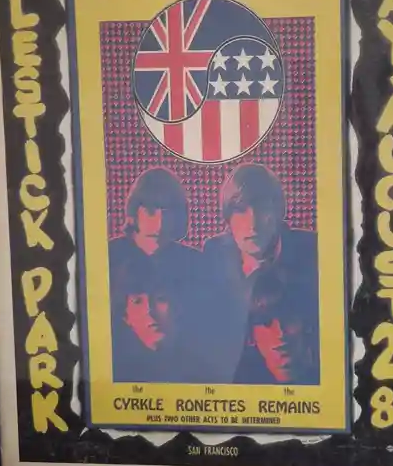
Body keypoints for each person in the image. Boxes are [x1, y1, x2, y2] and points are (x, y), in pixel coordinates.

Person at [108, 167, 236, 384]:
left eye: (167, 212)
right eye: (151, 211)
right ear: (134, 213)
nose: (159, 223)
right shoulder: (110, 257)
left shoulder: (196, 263)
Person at [202, 164, 320, 385]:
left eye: (262, 209)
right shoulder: (214, 253)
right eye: (240, 210)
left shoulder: (312, 250)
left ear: (278, 213)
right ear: (227, 218)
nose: (252, 224)